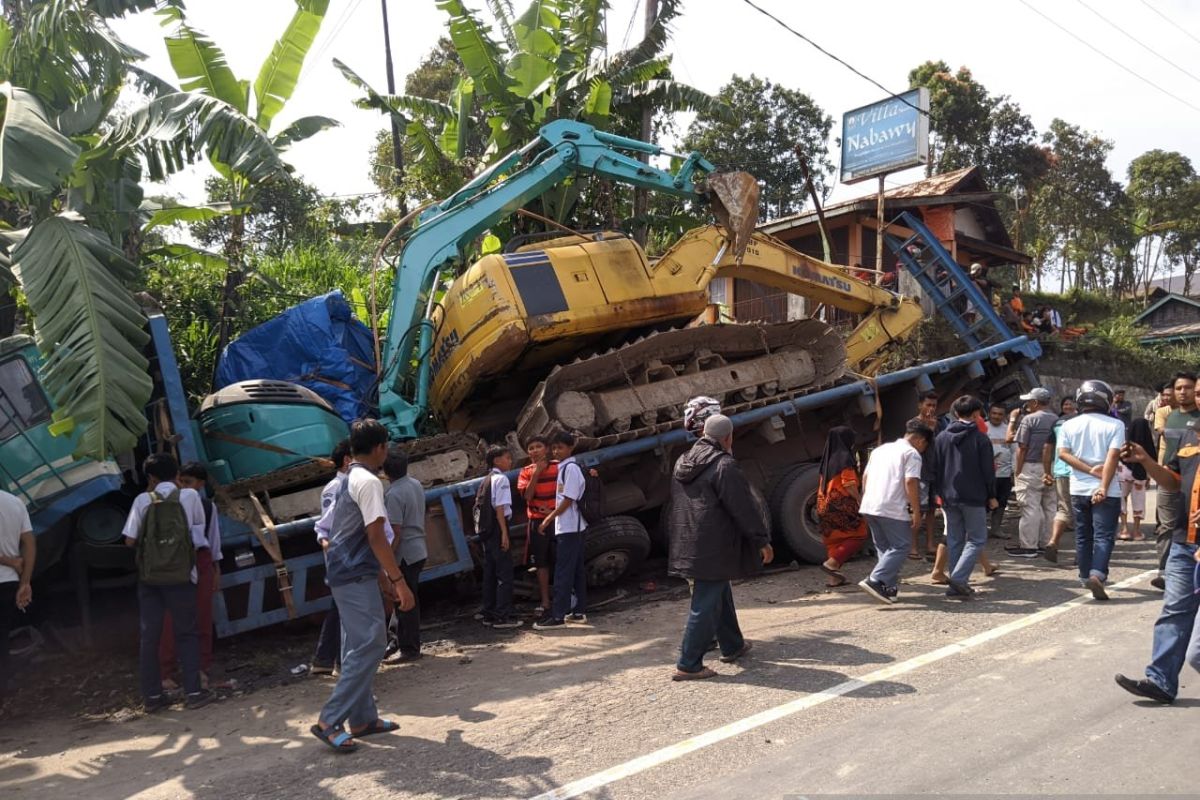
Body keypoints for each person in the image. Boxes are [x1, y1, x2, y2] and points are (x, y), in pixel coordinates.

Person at [312, 419, 414, 753]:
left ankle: (363, 718)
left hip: (345, 571)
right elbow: (375, 536)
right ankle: (330, 720)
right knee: (371, 642)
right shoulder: (369, 482)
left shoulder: (346, 479)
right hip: (354, 573)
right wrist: (399, 582)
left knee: (355, 645)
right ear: (381, 447)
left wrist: (382, 578)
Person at [666, 414, 772, 680]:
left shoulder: (683, 461)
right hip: (712, 545)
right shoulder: (724, 464)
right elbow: (743, 508)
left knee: (718, 590)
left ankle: (732, 645)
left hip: (687, 540)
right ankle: (688, 663)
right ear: (728, 437)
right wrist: (761, 540)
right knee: (705, 602)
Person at [1113, 431, 1200, 705]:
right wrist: (1147, 461)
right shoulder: (1189, 438)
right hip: (1185, 542)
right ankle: (1161, 682)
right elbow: (1173, 483)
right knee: (1174, 610)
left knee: (1197, 651)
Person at [122, 453, 213, 711]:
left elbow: (129, 540)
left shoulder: (142, 500)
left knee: (150, 636)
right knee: (186, 631)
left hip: (151, 578)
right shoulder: (190, 496)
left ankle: (152, 698)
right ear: (177, 474)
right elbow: (196, 533)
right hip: (182, 575)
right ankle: (194, 692)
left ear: (150, 477)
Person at [1057, 380, 1125, 601]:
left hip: (1078, 488)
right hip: (1107, 489)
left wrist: (1087, 470)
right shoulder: (1116, 425)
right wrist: (1103, 485)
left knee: (1083, 535)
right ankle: (1098, 574)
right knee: (1104, 536)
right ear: (1105, 399)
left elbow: (1063, 454)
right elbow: (1113, 456)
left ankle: (1085, 576)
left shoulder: (1068, 425)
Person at [159, 461, 222, 691]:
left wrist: (216, 569)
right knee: (170, 620)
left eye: (189, 482)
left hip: (200, 561)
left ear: (201, 484)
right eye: (181, 481)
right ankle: (166, 671)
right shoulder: (168, 504)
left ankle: (201, 670)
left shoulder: (206, 507)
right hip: (176, 564)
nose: (184, 486)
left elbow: (213, 540)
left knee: (202, 618)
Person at [858, 419, 934, 604]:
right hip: (891, 506)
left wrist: (868, 497)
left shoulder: (880, 450)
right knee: (902, 546)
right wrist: (916, 511)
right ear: (920, 440)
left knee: (884, 548)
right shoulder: (912, 454)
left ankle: (889, 588)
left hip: (871, 505)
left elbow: (865, 477)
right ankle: (876, 580)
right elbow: (910, 482)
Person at [932, 397, 998, 598]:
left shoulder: (941, 437)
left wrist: (939, 493)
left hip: (949, 496)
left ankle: (956, 584)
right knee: (977, 538)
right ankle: (959, 579)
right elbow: (988, 470)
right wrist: (992, 495)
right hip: (974, 496)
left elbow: (936, 468)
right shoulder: (980, 438)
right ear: (976, 414)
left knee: (954, 539)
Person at [534, 432, 590, 631]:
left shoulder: (570, 469)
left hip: (570, 527)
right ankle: (578, 612)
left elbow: (568, 499)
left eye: (561, 447)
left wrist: (548, 518)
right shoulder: (565, 468)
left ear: (571, 447)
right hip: (569, 525)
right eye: (554, 447)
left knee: (563, 572)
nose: (557, 451)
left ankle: (558, 616)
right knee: (575, 571)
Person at [1155, 372, 1199, 589]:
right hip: (1170, 473)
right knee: (1166, 525)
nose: (1184, 392)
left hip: (1191, 480)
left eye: (1189, 388)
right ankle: (1165, 570)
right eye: (1179, 388)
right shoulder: (1170, 415)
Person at [383, 448, 427, 662]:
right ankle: (398, 641)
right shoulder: (415, 484)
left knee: (405, 602)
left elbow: (395, 532)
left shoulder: (392, 494)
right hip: (418, 549)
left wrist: (386, 559)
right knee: (409, 599)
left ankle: (409, 649)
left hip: (404, 554)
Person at [312, 439, 352, 675]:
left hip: (345, 558)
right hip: (345, 559)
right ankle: (339, 662)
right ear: (347, 460)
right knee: (347, 610)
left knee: (340, 607)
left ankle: (325, 659)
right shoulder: (338, 487)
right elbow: (327, 526)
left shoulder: (344, 484)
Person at [477, 445, 522, 629]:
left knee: (490, 573)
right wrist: (504, 533)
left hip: (487, 531)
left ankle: (488, 612)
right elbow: (500, 509)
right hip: (498, 528)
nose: (510, 461)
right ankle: (503, 615)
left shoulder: (486, 480)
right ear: (497, 461)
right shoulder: (501, 479)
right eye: (507, 458)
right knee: (505, 574)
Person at [1010, 388, 1058, 557]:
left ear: (1036, 402)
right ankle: (1047, 543)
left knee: (1030, 507)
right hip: (1052, 467)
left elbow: (1022, 447)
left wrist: (1018, 470)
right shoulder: (1057, 420)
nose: (1027, 404)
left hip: (1031, 466)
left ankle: (1029, 546)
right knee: (1050, 507)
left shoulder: (1029, 420)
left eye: (1029, 401)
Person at [816, 426, 867, 587]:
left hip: (824, 505)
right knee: (859, 534)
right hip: (842, 505)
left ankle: (834, 578)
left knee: (834, 541)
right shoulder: (845, 458)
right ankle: (832, 564)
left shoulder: (827, 460)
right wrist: (860, 500)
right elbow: (849, 483)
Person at [0, 489, 34, 701]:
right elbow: (30, 544)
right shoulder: (15, 502)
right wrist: (25, 582)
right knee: (2, 639)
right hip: (9, 582)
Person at [517, 435, 558, 616]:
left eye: (538, 446)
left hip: (558, 519)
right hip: (537, 521)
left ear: (547, 449)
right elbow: (527, 496)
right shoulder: (525, 471)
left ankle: (567, 596)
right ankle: (546, 602)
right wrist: (536, 473)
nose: (534, 450)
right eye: (531, 448)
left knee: (561, 559)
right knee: (541, 563)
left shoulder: (559, 466)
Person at [1044, 398, 1078, 564]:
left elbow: (1048, 448)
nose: (1068, 406)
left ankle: (1053, 542)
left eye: (1071, 404)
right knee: (1082, 511)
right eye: (1065, 404)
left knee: (1063, 509)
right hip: (1081, 471)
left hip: (1060, 471)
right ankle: (1082, 551)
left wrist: (1047, 471)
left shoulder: (1058, 424)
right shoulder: (1083, 422)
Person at [913, 392, 946, 560]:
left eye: (934, 405)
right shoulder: (913, 424)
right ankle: (913, 547)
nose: (931, 409)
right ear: (920, 405)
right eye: (928, 405)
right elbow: (919, 447)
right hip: (919, 473)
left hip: (934, 472)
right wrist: (930, 430)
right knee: (918, 510)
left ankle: (930, 544)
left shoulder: (938, 424)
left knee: (932, 510)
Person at [1118, 418, 1155, 542]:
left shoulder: (1124, 443)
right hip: (1140, 475)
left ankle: (1124, 529)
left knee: (1122, 500)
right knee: (1139, 501)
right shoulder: (1147, 444)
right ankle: (1137, 531)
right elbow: (1151, 461)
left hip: (1123, 474)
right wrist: (1148, 477)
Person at [986, 402, 1015, 539]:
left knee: (1002, 502)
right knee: (983, 502)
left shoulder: (1008, 430)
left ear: (1004, 416)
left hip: (1004, 473)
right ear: (989, 413)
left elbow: (1015, 452)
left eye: (1000, 414)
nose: (996, 416)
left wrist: (1014, 472)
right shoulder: (983, 428)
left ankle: (996, 529)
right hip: (986, 474)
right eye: (994, 413)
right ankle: (979, 530)